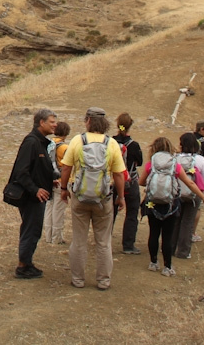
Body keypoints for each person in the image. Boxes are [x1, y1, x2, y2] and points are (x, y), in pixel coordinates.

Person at [59, 107, 126, 290]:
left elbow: (66, 168)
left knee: (79, 241)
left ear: (88, 120)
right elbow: (119, 174)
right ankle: (103, 280)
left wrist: (64, 189)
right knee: (103, 242)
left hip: (80, 197)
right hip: (103, 198)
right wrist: (121, 197)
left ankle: (78, 279)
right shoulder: (112, 144)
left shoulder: (77, 141)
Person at [141, 136, 204, 276]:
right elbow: (190, 183)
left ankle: (153, 262)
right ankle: (167, 267)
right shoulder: (175, 165)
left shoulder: (150, 164)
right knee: (167, 236)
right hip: (170, 204)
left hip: (152, 203)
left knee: (153, 233)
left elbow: (141, 182)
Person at [7, 108, 58, 278]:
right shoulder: (31, 142)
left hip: (36, 196)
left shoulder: (40, 142)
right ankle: (23, 267)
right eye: (52, 122)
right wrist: (35, 190)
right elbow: (21, 171)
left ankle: (26, 263)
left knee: (32, 229)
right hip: (31, 197)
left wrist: (50, 181)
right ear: (41, 123)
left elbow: (37, 169)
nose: (55, 125)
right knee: (31, 229)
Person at [173, 132, 204, 260]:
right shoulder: (200, 159)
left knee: (176, 221)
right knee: (188, 222)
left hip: (177, 193)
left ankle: (171, 248)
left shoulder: (176, 158)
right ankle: (183, 251)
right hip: (194, 194)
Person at [113, 112, 144, 255]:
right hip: (130, 181)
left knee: (110, 212)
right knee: (132, 212)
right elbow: (140, 162)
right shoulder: (134, 145)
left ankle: (104, 240)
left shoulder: (110, 142)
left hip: (113, 181)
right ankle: (128, 245)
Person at [43, 121, 71, 244]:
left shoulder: (48, 144)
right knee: (58, 209)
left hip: (48, 179)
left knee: (49, 207)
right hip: (60, 180)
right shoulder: (65, 148)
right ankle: (57, 237)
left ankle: (48, 236)